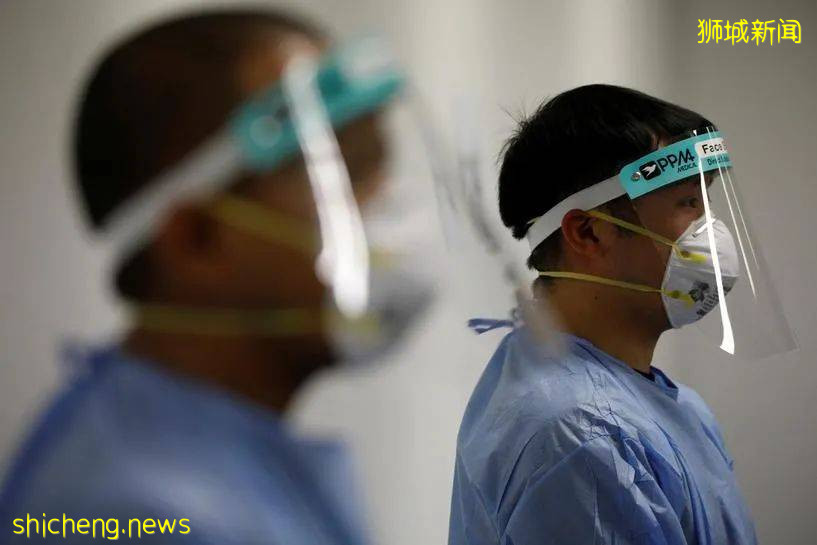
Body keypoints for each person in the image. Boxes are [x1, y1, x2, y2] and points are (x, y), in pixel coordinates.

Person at [0, 9, 423, 544]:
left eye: (379, 161)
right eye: (344, 171)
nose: (387, 206)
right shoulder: (127, 512)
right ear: (196, 239)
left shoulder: (215, 455)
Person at [448, 85, 759, 544]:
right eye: (686, 203)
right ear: (590, 233)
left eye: (706, 202)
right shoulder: (583, 436)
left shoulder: (648, 404)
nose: (710, 231)